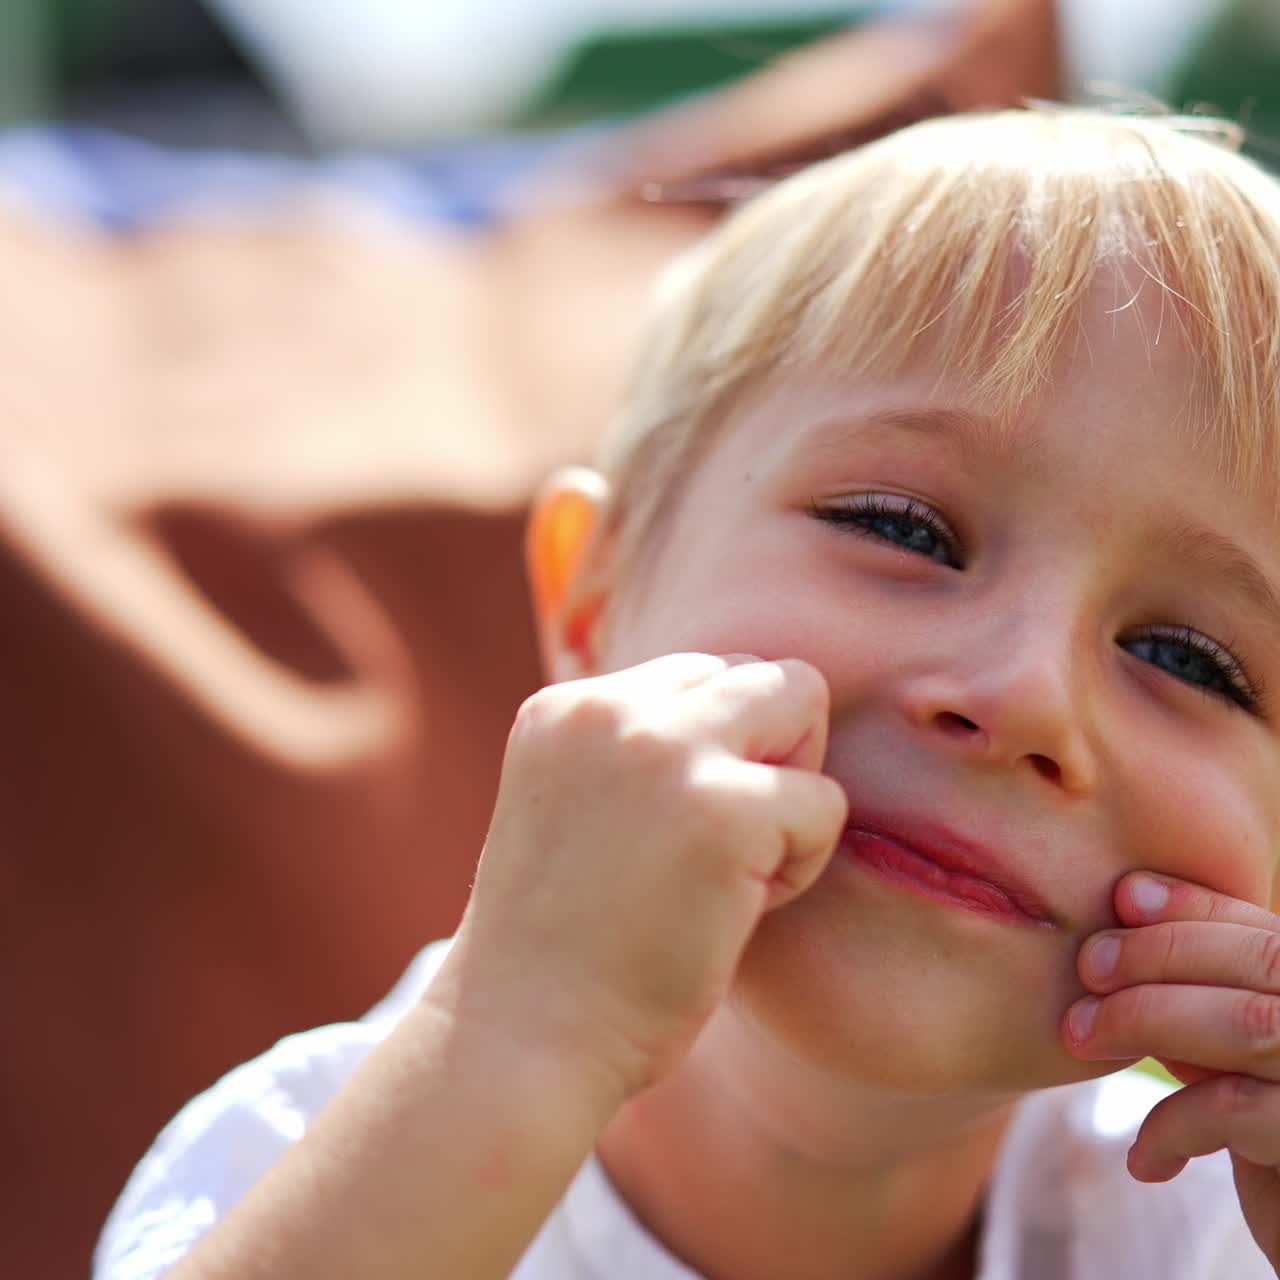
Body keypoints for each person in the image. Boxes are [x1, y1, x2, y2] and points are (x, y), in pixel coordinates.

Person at [94, 105, 1280, 1280]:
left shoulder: (1221, 1227)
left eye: (1188, 659)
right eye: (899, 527)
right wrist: (522, 1039)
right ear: (593, 595)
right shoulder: (319, 1166)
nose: (1022, 693)